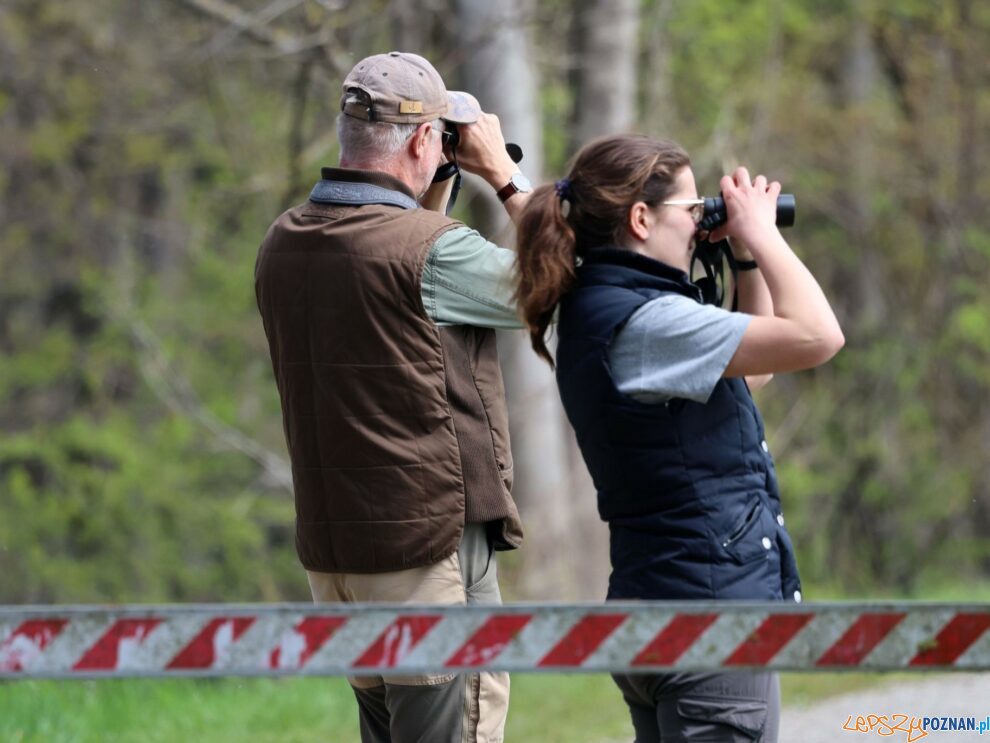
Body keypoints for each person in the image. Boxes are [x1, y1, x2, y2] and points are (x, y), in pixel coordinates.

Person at [514, 134, 844, 742]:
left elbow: (759, 365)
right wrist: (765, 232)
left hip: (661, 601)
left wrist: (743, 256)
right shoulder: (649, 321)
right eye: (692, 212)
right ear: (640, 219)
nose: (700, 226)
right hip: (709, 618)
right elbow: (818, 337)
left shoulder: (604, 305)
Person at [255, 51, 534, 743]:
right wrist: (502, 174)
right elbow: (560, 288)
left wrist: (427, 198)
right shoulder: (433, 250)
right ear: (421, 141)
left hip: (337, 557)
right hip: (427, 551)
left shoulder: (282, 242)